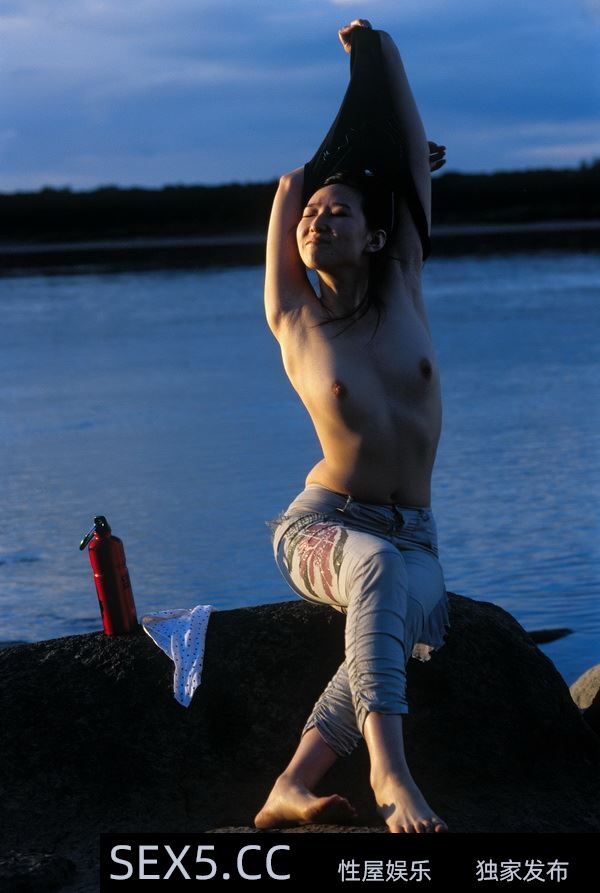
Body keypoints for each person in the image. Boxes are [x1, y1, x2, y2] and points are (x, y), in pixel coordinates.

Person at [255, 19, 449, 834]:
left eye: (337, 212)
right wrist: (310, 181)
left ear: (374, 235)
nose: (317, 220)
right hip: (323, 527)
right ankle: (389, 774)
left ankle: (289, 785)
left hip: (417, 536)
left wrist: (382, 56)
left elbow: (409, 167)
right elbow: (289, 191)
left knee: (398, 605)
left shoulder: (403, 281)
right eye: (311, 216)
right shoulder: (294, 317)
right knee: (375, 569)